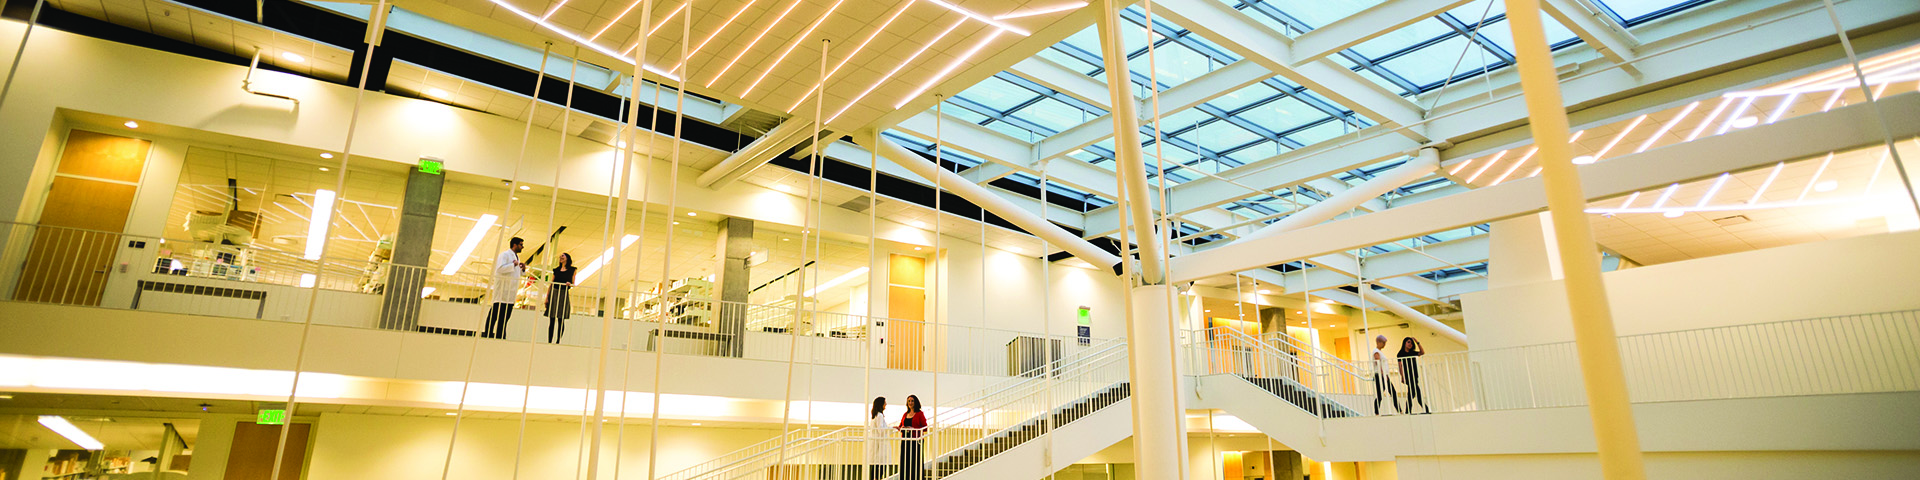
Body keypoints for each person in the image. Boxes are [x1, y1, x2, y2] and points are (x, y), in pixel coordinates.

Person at [484, 237, 526, 339]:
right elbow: (500, 269)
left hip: (511, 293)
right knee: (495, 313)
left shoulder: (516, 258)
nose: (522, 247)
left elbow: (516, 273)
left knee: (505, 316)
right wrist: (513, 265)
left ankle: (500, 335)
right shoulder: (505, 255)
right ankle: (488, 333)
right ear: (514, 245)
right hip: (502, 290)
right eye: (521, 245)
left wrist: (522, 269)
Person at [546, 253, 575, 344]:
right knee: (552, 318)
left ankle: (558, 340)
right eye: (560, 256)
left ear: (567, 258)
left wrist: (569, 284)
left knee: (561, 319)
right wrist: (547, 297)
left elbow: (573, 282)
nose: (561, 257)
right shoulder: (556, 270)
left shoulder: (572, 270)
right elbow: (552, 283)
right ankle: (549, 340)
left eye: (563, 256)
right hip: (554, 293)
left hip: (563, 293)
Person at [1371, 335, 1402, 416]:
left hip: (1383, 375)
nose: (1384, 344)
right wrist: (1383, 375)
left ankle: (1399, 410)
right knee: (1381, 394)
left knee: (1391, 392)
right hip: (1380, 376)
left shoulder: (1379, 351)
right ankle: (1377, 412)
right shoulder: (1376, 352)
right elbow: (1378, 364)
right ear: (1378, 342)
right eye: (1383, 343)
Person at [897, 395, 927, 480]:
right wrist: (900, 428)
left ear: (915, 402)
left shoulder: (920, 414)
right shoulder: (905, 414)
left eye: (912, 401)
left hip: (916, 441)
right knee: (905, 460)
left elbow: (925, 427)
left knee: (915, 461)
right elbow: (901, 426)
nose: (910, 403)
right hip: (905, 440)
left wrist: (913, 428)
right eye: (909, 401)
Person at [1398, 337, 1431, 414]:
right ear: (1404, 343)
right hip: (1408, 376)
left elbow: (1422, 352)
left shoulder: (1412, 352)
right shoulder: (1400, 353)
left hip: (1414, 375)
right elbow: (1400, 366)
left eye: (1411, 343)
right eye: (1408, 342)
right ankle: (1426, 409)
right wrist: (1402, 376)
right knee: (1417, 393)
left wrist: (1417, 342)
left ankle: (1408, 411)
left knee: (1412, 393)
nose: (1410, 344)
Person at [866, 396, 892, 480]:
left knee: (875, 466)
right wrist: (891, 429)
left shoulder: (875, 416)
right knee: (881, 466)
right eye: (885, 403)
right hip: (880, 444)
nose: (886, 404)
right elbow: (881, 430)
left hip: (876, 444)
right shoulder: (879, 415)